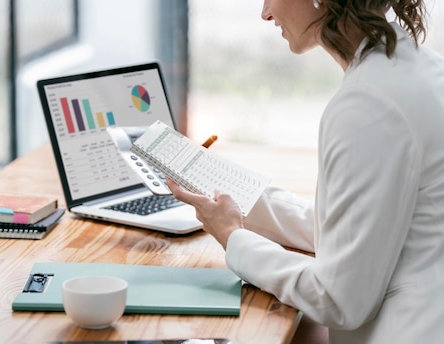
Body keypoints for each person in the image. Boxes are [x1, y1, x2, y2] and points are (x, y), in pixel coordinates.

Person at [167, 0, 444, 343]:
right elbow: (358, 230)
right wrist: (230, 194)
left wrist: (234, 239)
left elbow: (338, 298)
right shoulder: (419, 67)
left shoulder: (367, 105)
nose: (265, 12)